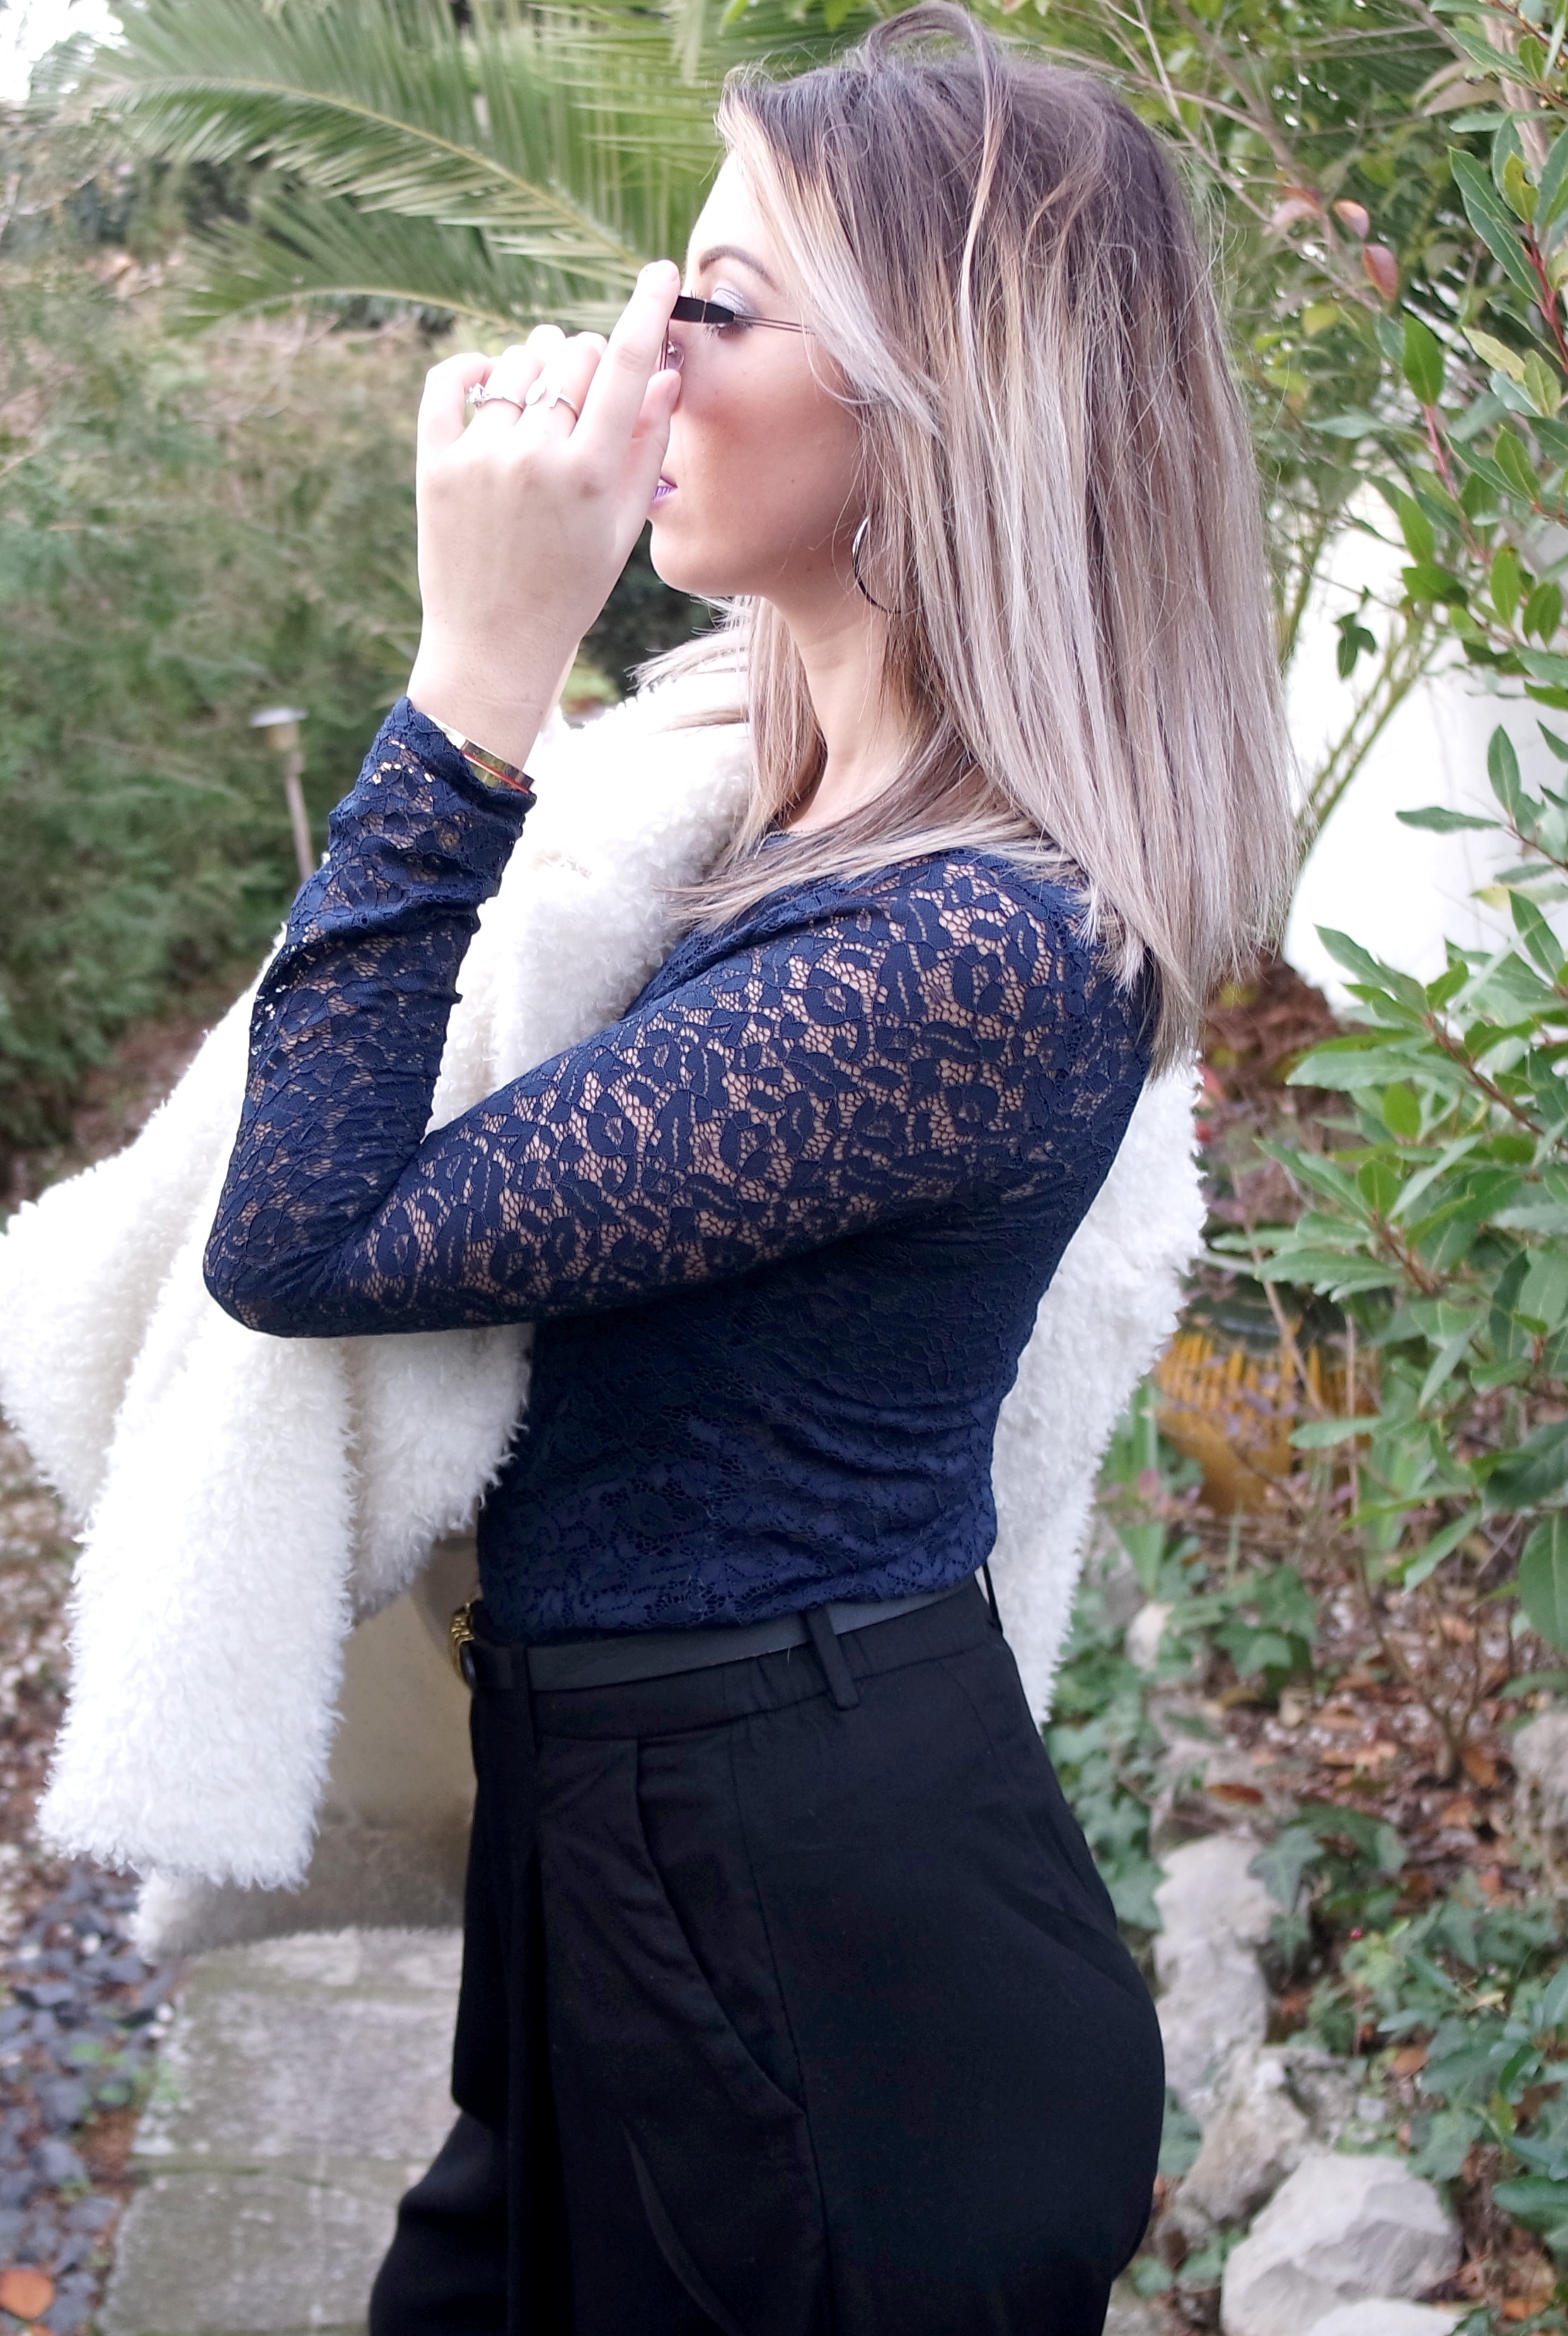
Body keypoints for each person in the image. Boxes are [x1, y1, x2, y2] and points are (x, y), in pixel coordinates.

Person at [197, 9, 1291, 2328]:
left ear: (940, 401)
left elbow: (305, 1234)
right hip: (643, 1854)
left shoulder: (968, 950)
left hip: (817, 1965)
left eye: (718, 302)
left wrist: (480, 670)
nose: (641, 359)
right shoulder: (754, 787)